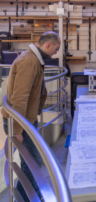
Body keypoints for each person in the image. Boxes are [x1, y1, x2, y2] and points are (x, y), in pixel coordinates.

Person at [1, 31, 61, 201]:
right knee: (33, 162)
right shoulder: (30, 61)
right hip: (21, 122)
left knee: (31, 161)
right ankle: (27, 197)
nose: (56, 53)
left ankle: (29, 194)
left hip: (25, 120)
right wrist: (18, 130)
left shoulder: (33, 59)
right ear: (48, 45)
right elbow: (20, 98)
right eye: (56, 49)